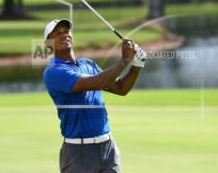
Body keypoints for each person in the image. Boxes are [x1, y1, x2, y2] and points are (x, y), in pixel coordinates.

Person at [43, 19, 146, 173]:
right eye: (57, 33)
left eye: (66, 31)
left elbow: (121, 88)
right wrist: (125, 60)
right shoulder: (53, 72)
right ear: (48, 43)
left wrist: (137, 64)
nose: (64, 35)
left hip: (108, 147)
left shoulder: (88, 64)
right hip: (78, 152)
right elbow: (96, 82)